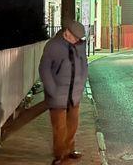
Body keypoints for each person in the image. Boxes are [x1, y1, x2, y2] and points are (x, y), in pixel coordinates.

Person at [39, 20, 88, 165]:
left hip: (75, 94)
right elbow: (44, 69)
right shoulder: (53, 46)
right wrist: (52, 90)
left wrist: (81, 84)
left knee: (73, 124)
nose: (77, 40)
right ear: (67, 33)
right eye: (75, 37)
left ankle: (70, 149)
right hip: (57, 94)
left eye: (79, 38)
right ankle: (59, 155)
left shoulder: (79, 46)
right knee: (59, 127)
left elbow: (84, 65)